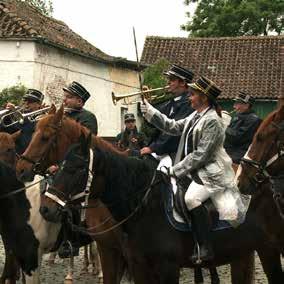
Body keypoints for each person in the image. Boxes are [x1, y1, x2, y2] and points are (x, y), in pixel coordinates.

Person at [140, 76, 248, 262]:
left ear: (204, 98)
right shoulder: (196, 115)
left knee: (191, 198)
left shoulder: (212, 120)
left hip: (211, 171)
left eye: (192, 94)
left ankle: (205, 246)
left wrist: (175, 170)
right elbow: (172, 127)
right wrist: (149, 110)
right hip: (194, 169)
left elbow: (201, 155)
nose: (189, 98)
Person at [140, 64, 195, 161]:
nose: (168, 82)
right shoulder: (170, 102)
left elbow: (174, 132)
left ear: (182, 83)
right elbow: (153, 126)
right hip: (162, 150)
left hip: (177, 152)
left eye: (172, 80)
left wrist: (153, 148)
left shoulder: (190, 104)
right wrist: (146, 112)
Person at [224, 92, 262, 164]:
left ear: (246, 105)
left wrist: (224, 126)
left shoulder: (253, 120)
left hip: (239, 153)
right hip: (229, 149)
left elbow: (237, 138)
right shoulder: (239, 115)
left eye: (237, 104)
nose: (234, 106)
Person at [4, 89, 44, 154]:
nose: (26, 104)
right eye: (25, 100)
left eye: (30, 101)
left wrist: (15, 112)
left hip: (22, 154)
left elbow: (27, 129)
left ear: (39, 104)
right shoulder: (20, 114)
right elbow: (8, 129)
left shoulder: (41, 117)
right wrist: (7, 116)